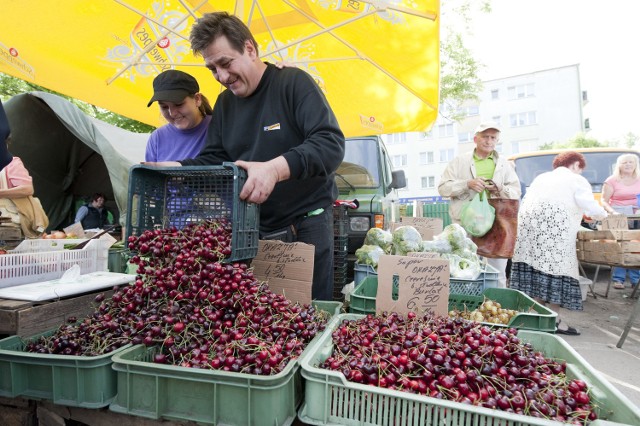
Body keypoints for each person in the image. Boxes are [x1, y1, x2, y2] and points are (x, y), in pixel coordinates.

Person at [144, 12, 345, 301]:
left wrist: (274, 169)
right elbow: (215, 159)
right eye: (212, 68)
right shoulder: (225, 104)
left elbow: (330, 144)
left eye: (226, 63)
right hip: (254, 231)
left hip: (306, 228)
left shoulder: (293, 83)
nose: (222, 77)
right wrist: (177, 167)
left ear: (249, 49)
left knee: (308, 317)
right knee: (265, 322)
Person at [510, 151, 607, 335]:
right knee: (556, 274)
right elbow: (591, 206)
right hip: (555, 238)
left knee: (536, 276)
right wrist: (604, 215)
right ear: (576, 164)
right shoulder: (576, 179)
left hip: (529, 236)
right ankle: (554, 321)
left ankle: (536, 317)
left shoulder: (541, 178)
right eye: (580, 169)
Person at [437, 122, 521, 287]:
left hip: (497, 224)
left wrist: (500, 188)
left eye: (493, 138)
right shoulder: (459, 161)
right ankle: (466, 304)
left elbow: (516, 191)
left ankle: (496, 306)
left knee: (497, 273)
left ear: (497, 141)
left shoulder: (504, 164)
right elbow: (443, 188)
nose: (489, 141)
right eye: (485, 137)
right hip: (465, 222)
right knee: (463, 270)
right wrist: (467, 184)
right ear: (475, 139)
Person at [145, 70, 213, 162]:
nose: (172, 113)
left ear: (197, 99)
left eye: (178, 104)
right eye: (164, 107)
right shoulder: (157, 138)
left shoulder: (219, 127)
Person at [601, 153, 640, 289]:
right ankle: (619, 279)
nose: (628, 164)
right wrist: (613, 212)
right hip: (617, 216)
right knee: (619, 247)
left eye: (631, 162)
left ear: (635, 164)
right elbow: (604, 201)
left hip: (637, 216)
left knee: (636, 247)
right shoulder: (611, 180)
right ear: (619, 165)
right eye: (624, 162)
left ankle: (636, 280)